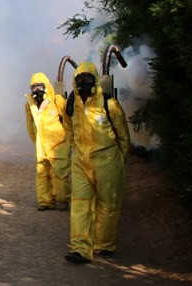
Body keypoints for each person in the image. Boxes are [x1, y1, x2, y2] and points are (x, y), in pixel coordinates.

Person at [63, 61, 131, 264]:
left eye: (88, 79)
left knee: (108, 205)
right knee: (80, 204)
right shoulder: (71, 104)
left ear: (96, 81)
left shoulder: (109, 105)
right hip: (81, 162)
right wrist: (76, 149)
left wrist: (120, 160)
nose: (84, 84)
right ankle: (80, 248)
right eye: (80, 80)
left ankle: (104, 245)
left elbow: (123, 135)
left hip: (107, 161)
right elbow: (68, 128)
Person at [24, 72, 71, 211]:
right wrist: (37, 141)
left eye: (40, 86)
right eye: (34, 87)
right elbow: (30, 126)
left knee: (59, 175)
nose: (37, 90)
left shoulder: (57, 101)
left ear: (47, 86)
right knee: (42, 174)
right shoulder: (30, 105)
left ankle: (62, 200)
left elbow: (68, 122)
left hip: (58, 146)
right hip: (42, 147)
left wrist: (69, 141)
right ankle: (45, 201)